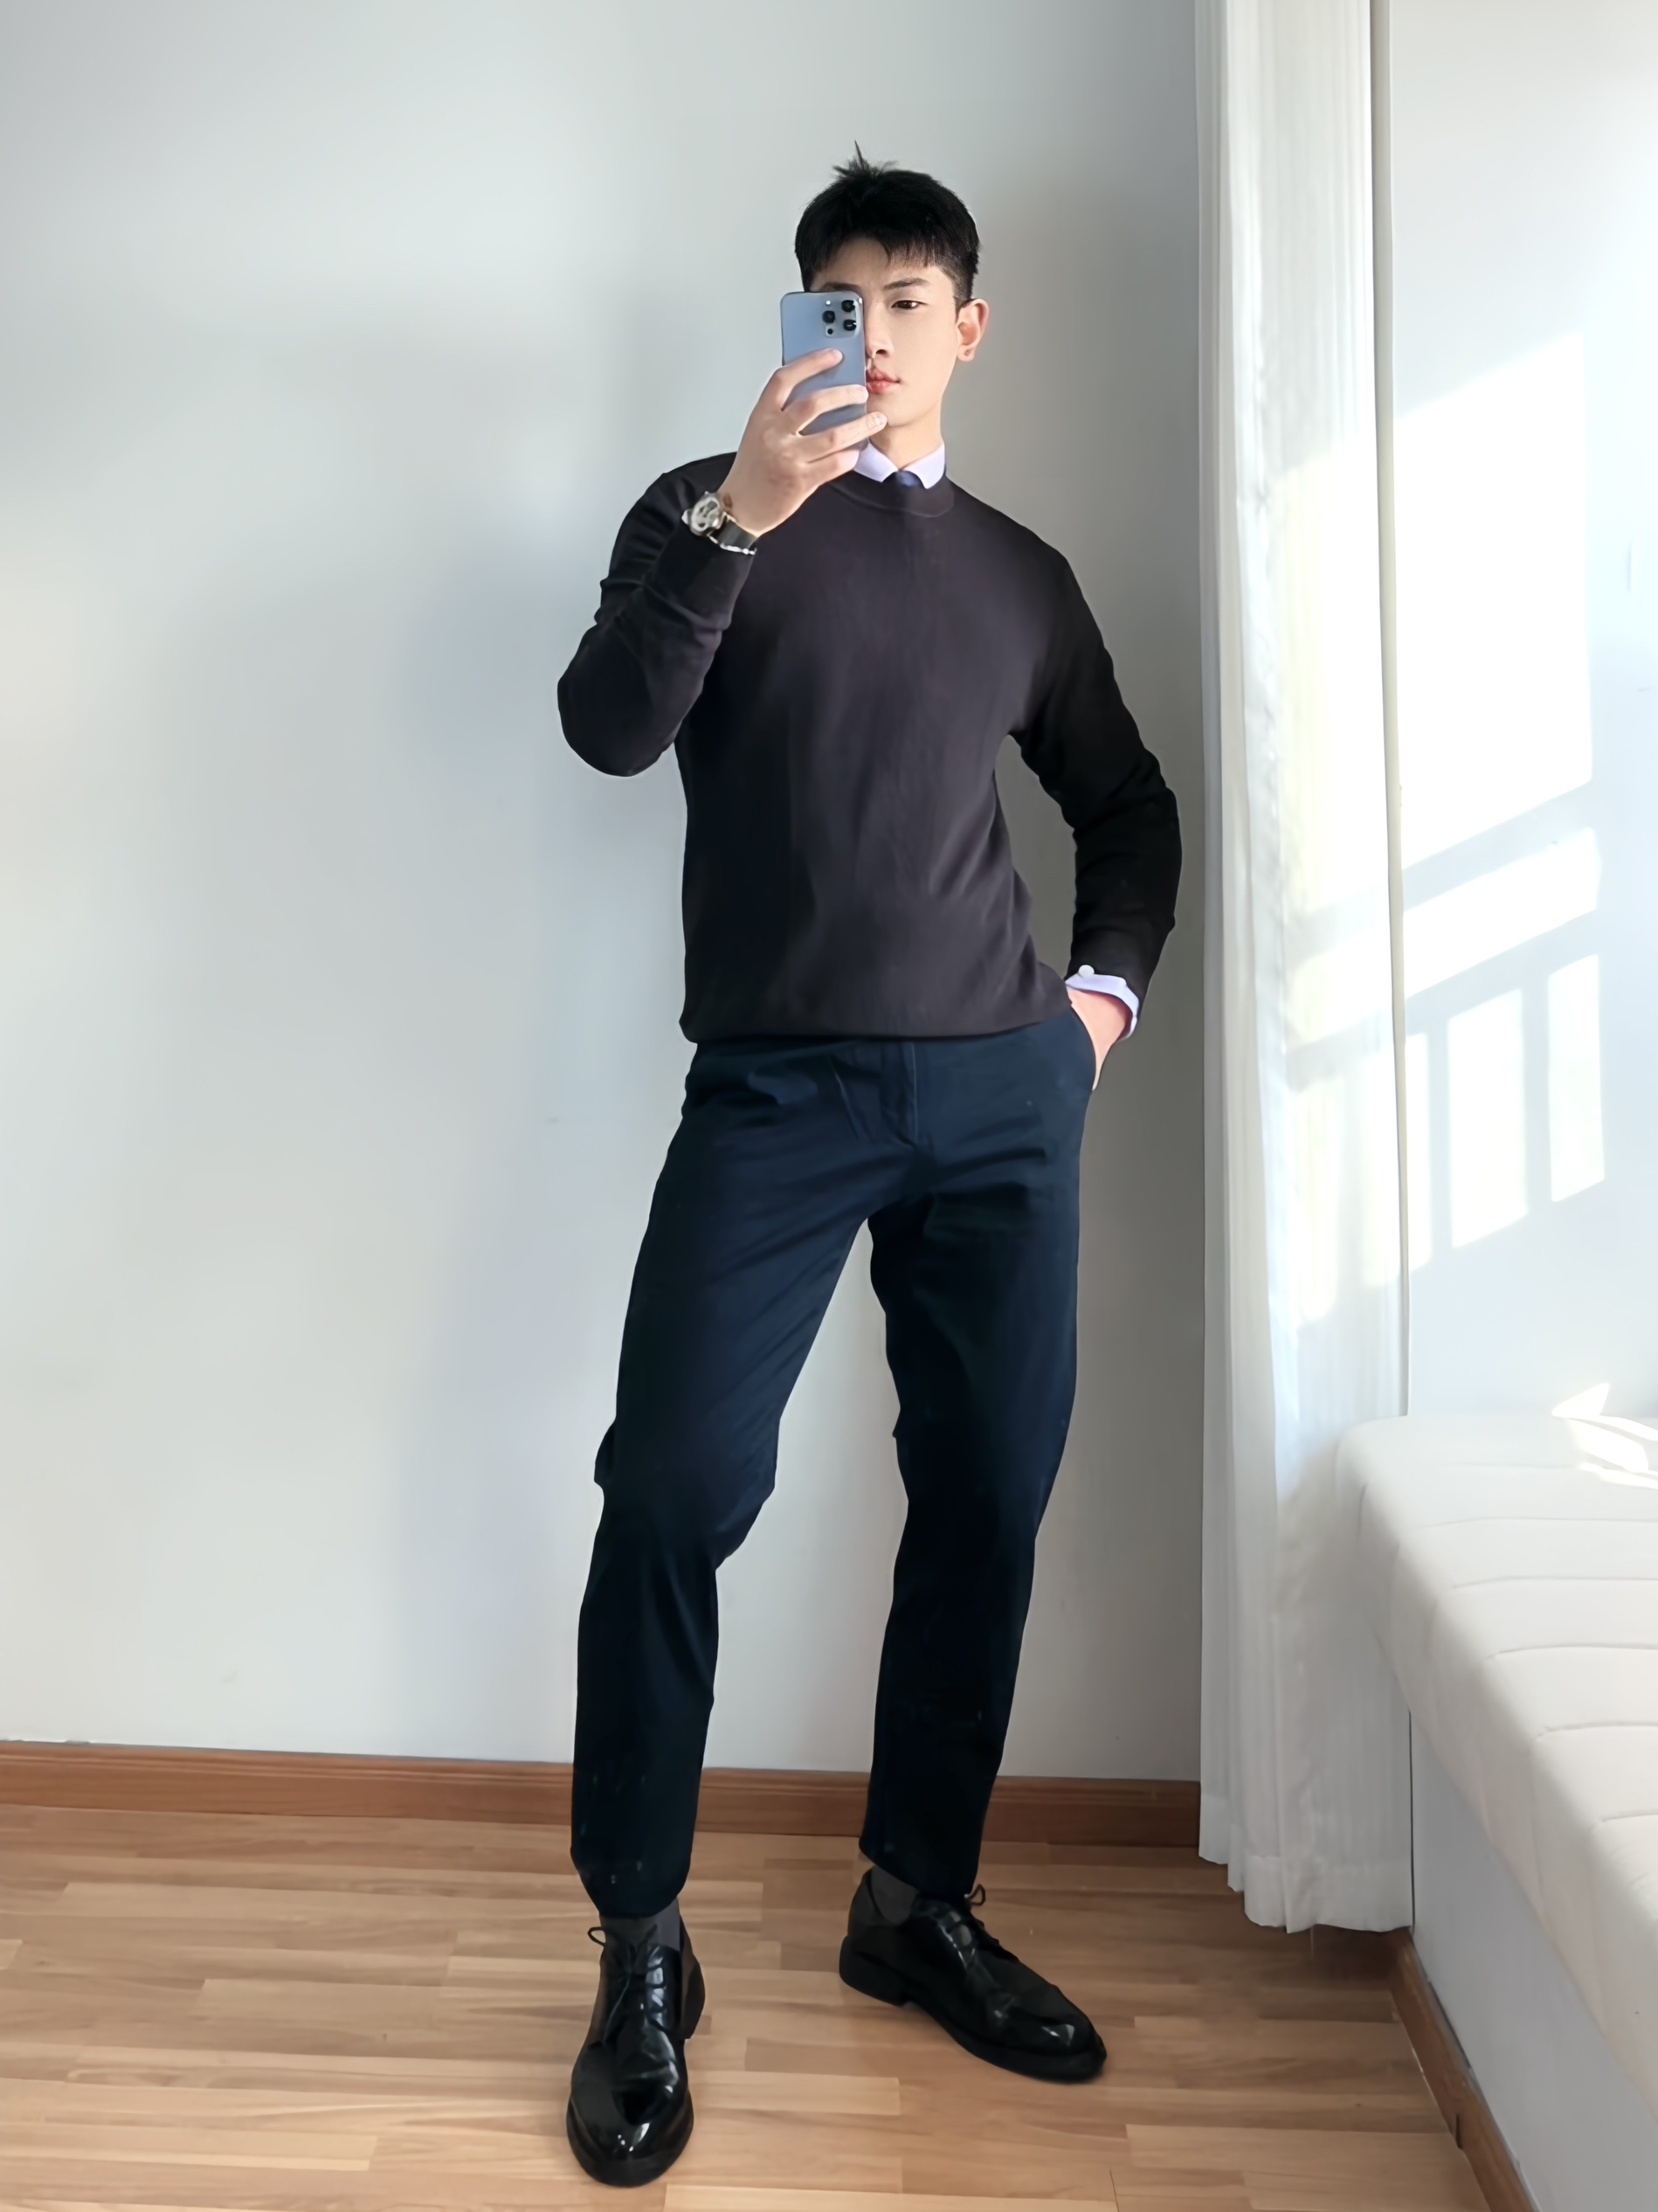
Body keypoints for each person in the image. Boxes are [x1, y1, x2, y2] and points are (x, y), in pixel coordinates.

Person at [556, 152, 1181, 2187]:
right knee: (672, 1487)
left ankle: (914, 1903)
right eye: (842, 302)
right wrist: (743, 514)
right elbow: (605, 728)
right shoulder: (701, 513)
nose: (878, 333)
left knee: (987, 1494)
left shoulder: (1017, 574)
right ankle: (639, 1946)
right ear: (798, 324)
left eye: (911, 301)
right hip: (779, 1092)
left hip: (1003, 1096)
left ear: (966, 329)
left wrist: (1095, 1007)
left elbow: (1126, 803)